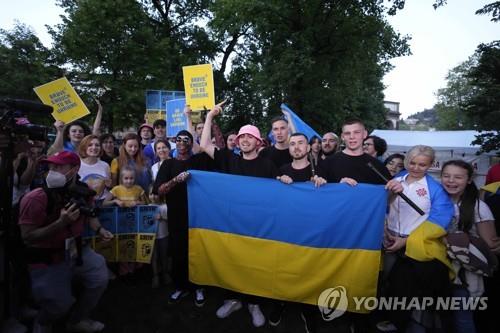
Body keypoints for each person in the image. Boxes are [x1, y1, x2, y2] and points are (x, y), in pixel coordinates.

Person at [200, 101, 279, 328]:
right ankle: (233, 299)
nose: (244, 140)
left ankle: (254, 304)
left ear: (258, 142)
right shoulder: (229, 159)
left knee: (255, 264)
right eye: (242, 136)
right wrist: (209, 117)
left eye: (249, 137)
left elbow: (278, 198)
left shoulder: (268, 166)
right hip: (231, 223)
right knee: (232, 261)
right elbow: (204, 144)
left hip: (258, 226)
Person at [18, 151, 113, 333]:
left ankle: (77, 319)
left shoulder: (83, 191)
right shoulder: (35, 198)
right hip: (47, 257)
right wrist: (60, 223)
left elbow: (89, 214)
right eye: (50, 166)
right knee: (59, 304)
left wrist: (100, 229)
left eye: (59, 167)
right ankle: (43, 322)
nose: (52, 171)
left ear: (74, 170)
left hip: (75, 250)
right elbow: (27, 237)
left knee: (99, 276)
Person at [382, 145, 454, 332]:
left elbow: (439, 220)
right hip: (389, 238)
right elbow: (381, 207)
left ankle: (411, 324)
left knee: (410, 289)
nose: (415, 168)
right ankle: (391, 320)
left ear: (430, 165)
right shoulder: (395, 179)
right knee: (387, 283)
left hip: (416, 245)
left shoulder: (435, 190)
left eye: (422, 165)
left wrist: (405, 241)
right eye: (412, 163)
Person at [271, 133, 327, 332]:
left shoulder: (320, 171)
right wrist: (278, 180)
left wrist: (324, 185)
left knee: (309, 272)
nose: (296, 147)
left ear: (308, 147)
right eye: (292, 144)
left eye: (300, 143)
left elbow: (335, 199)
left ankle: (308, 310)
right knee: (283, 269)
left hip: (311, 234)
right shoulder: (282, 170)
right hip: (285, 232)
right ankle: (280, 303)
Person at [152, 130, 212, 307]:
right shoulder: (167, 164)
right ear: (174, 142)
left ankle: (199, 287)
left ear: (191, 143)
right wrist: (176, 181)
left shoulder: (199, 161)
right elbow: (159, 191)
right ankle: (180, 286)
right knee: (178, 251)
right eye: (179, 139)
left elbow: (219, 150)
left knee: (197, 249)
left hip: (198, 214)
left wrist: (210, 117)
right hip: (176, 215)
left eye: (187, 140)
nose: (182, 143)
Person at [441, 160, 500, 333]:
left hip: (464, 274)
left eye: (458, 177)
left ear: (468, 180)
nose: (451, 181)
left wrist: (455, 240)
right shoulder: (433, 202)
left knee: (463, 318)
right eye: (446, 176)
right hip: (436, 270)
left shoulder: (478, 207)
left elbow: (492, 244)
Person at [149, 139, 171, 288]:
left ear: (169, 149)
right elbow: (153, 188)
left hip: (173, 205)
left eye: (164, 147)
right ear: (156, 152)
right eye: (159, 148)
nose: (162, 150)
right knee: (158, 241)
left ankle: (168, 271)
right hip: (159, 204)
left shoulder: (176, 163)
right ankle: (157, 274)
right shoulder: (153, 167)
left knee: (170, 242)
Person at [77, 135, 111, 205]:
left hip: (102, 202)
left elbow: (108, 187)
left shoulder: (105, 165)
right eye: (90, 145)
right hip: (83, 203)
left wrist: (109, 185)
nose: (94, 147)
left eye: (97, 145)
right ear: (84, 147)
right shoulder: (77, 164)